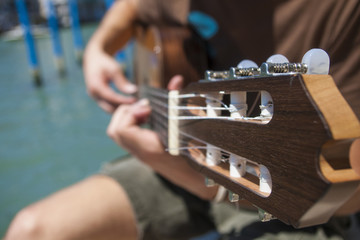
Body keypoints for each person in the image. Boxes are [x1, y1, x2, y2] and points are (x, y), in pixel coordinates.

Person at [5, 0, 360, 239]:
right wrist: (99, 49)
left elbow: (348, 188)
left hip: (287, 198)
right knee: (30, 229)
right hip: (184, 149)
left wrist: (190, 171)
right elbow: (131, 6)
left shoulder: (341, 13)